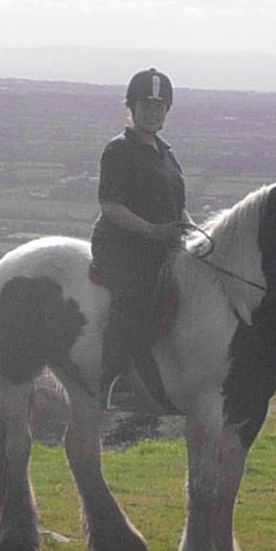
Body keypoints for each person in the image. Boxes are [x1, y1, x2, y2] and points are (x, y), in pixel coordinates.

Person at [94, 67, 186, 410]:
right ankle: (117, 380)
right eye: (146, 105)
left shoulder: (166, 154)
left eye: (159, 106)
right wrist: (151, 230)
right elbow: (110, 205)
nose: (153, 112)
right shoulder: (118, 150)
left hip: (162, 245)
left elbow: (177, 207)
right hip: (121, 245)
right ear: (132, 107)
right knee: (134, 298)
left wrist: (192, 232)